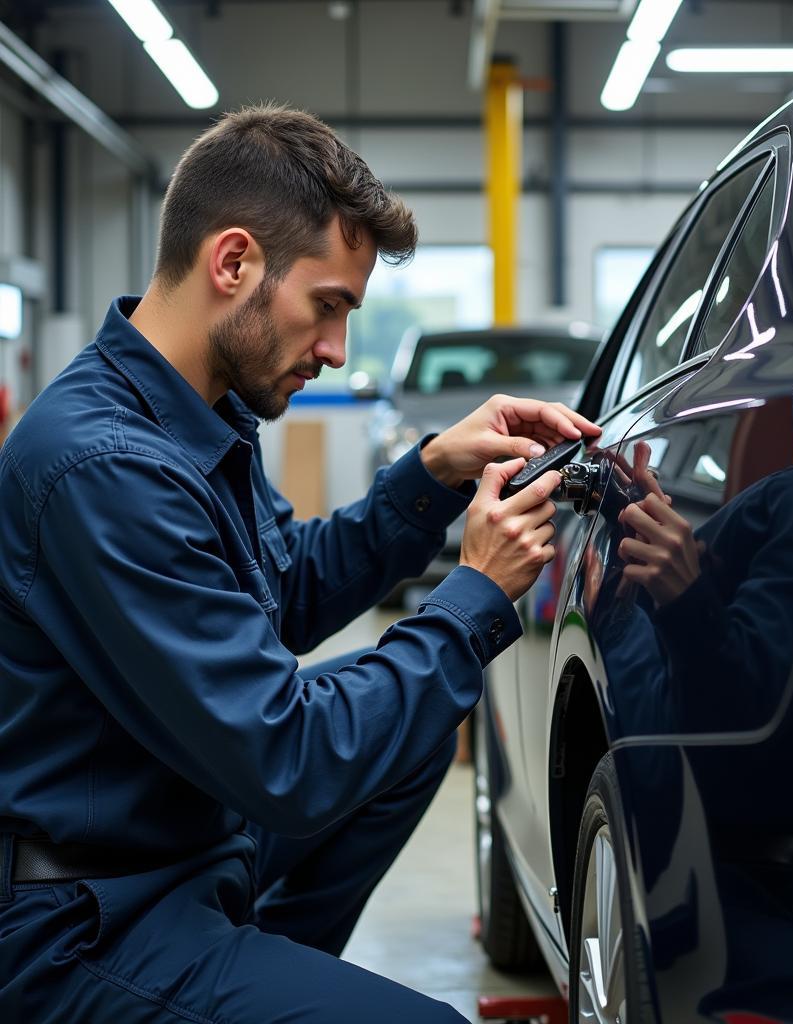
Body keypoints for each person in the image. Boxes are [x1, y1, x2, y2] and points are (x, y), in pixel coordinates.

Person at [0, 103, 600, 1023]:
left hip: (186, 843)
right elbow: (289, 759)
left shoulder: (195, 412)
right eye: (328, 307)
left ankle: (250, 978)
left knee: (412, 738)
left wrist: (431, 474)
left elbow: (281, 589)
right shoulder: (103, 467)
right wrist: (472, 594)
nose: (334, 351)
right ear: (233, 262)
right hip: (83, 918)